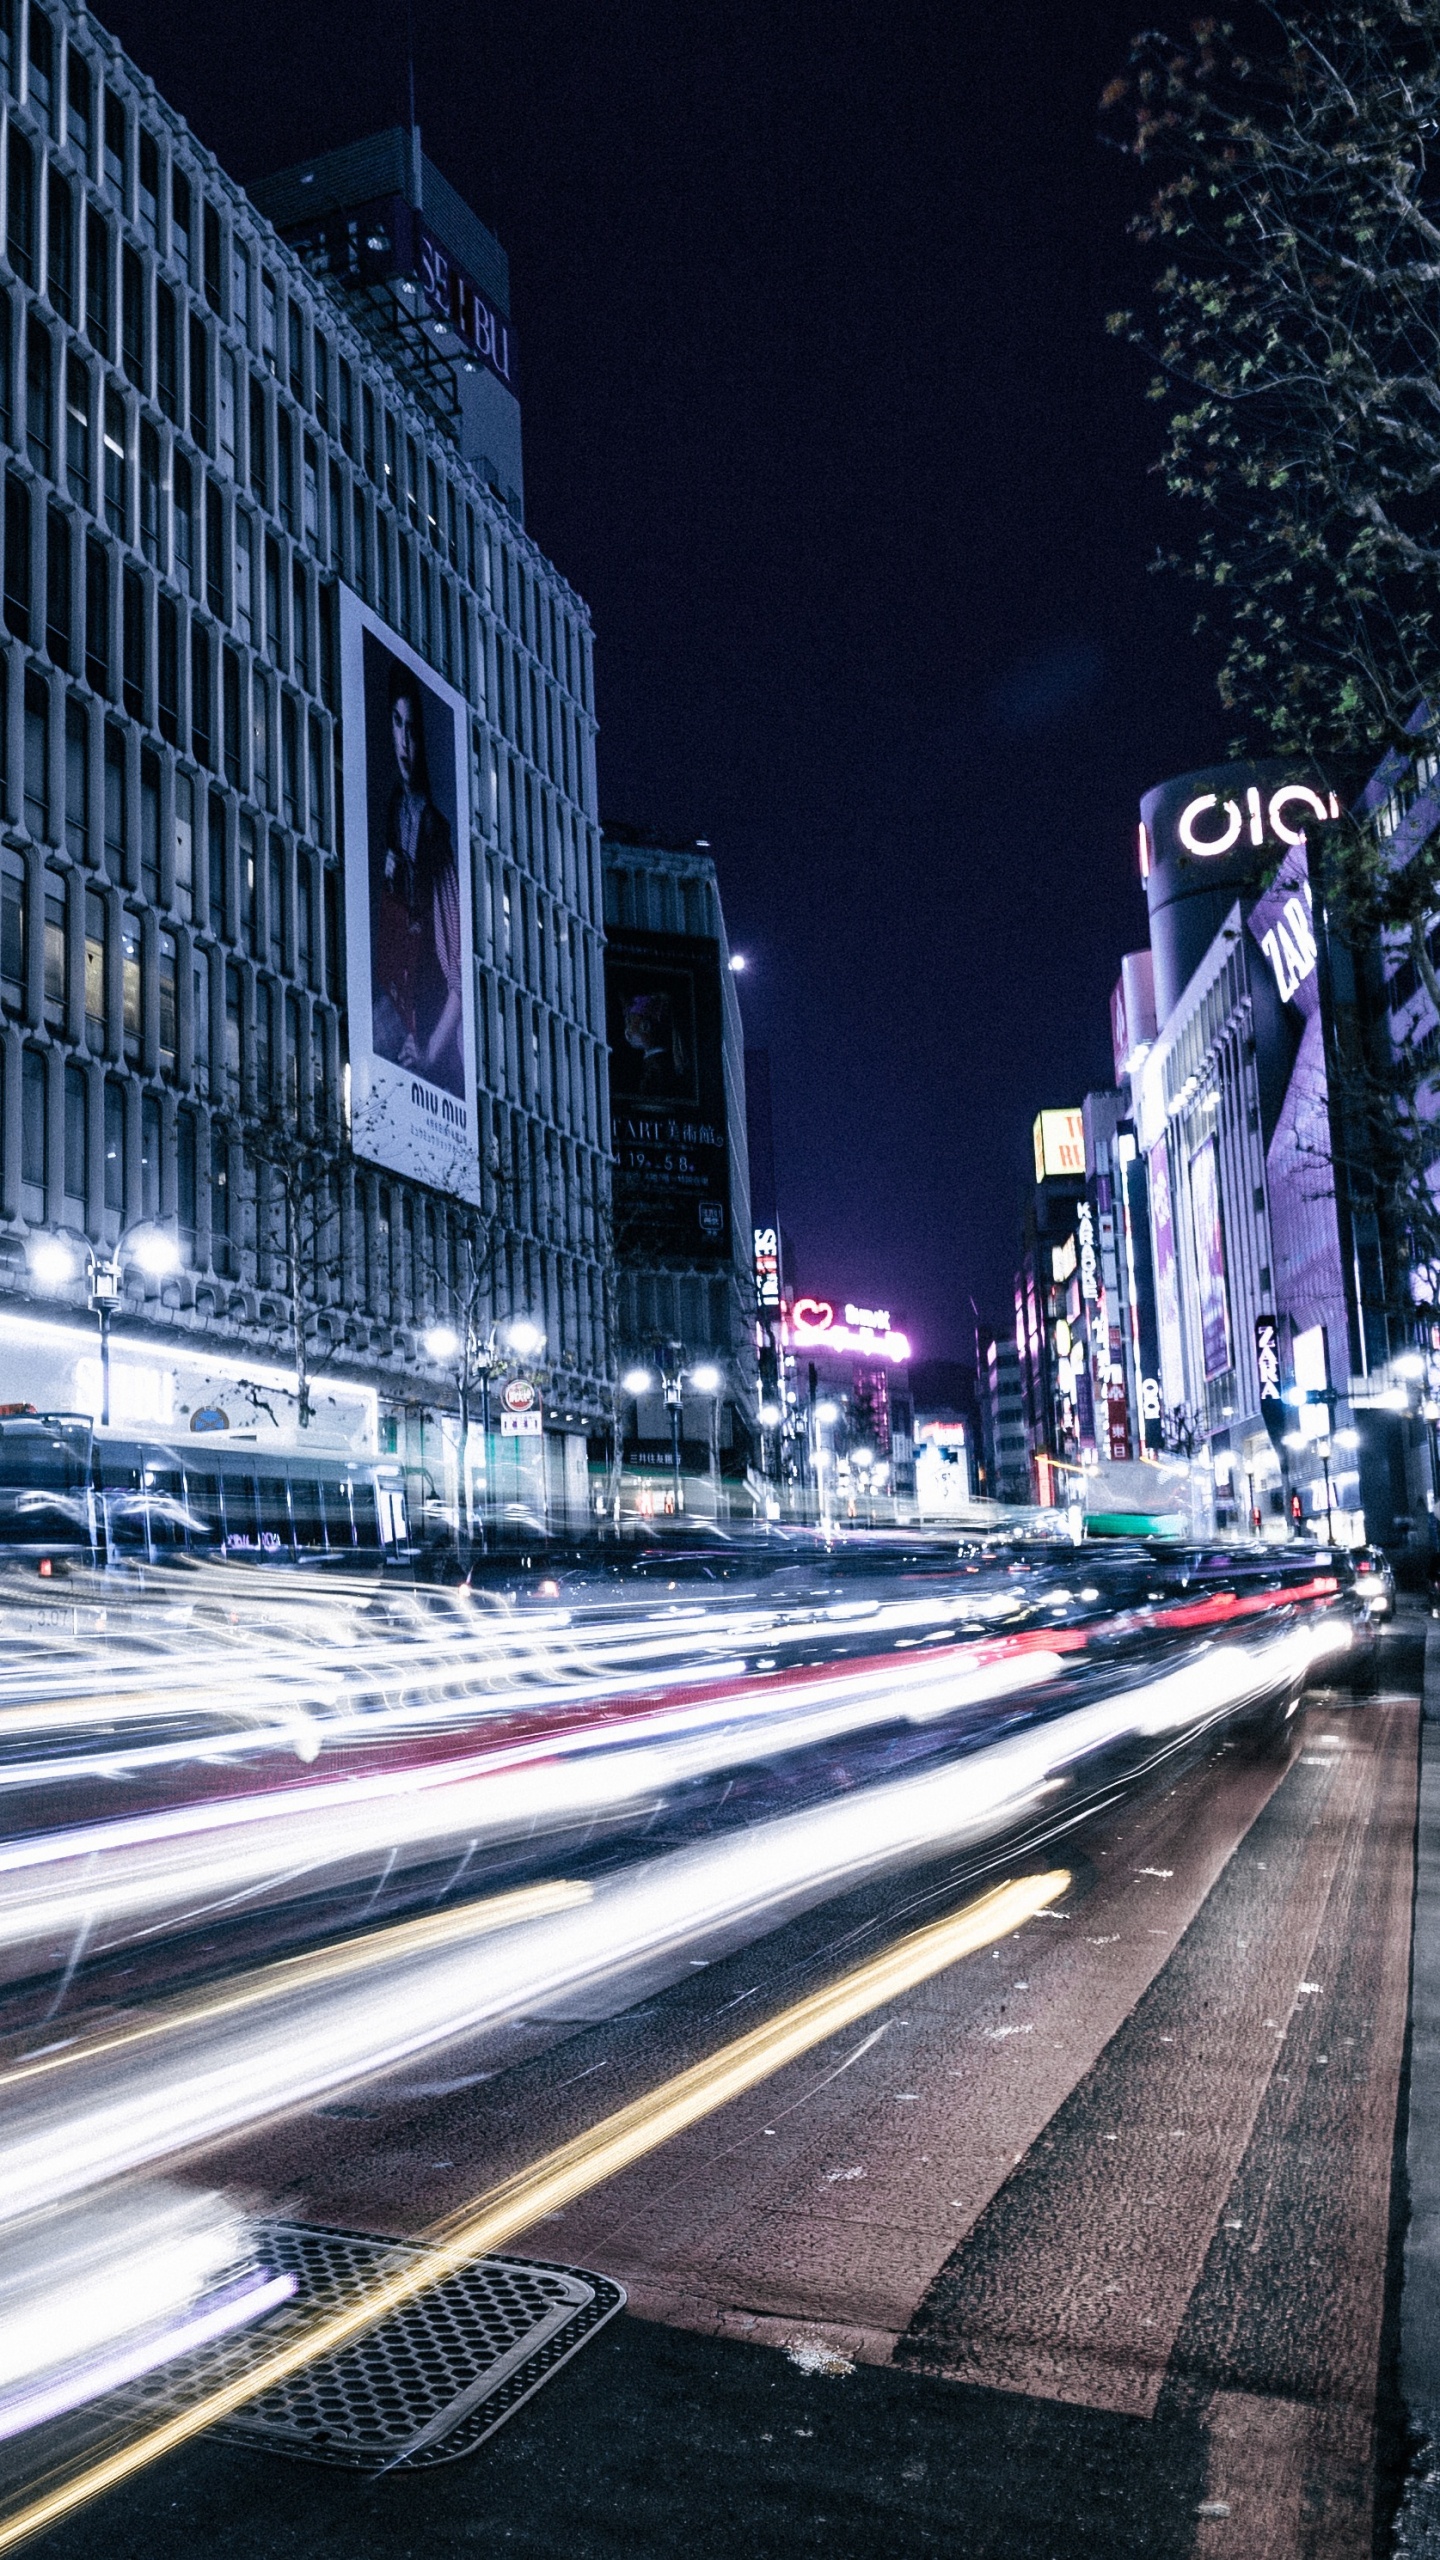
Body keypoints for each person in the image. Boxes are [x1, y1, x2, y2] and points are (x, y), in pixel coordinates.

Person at [371, 662, 463, 1095]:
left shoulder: (435, 833)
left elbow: (460, 976)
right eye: (396, 723)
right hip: (398, 998)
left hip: (427, 1031)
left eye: (414, 731)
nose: (404, 744)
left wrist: (429, 1050)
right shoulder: (396, 806)